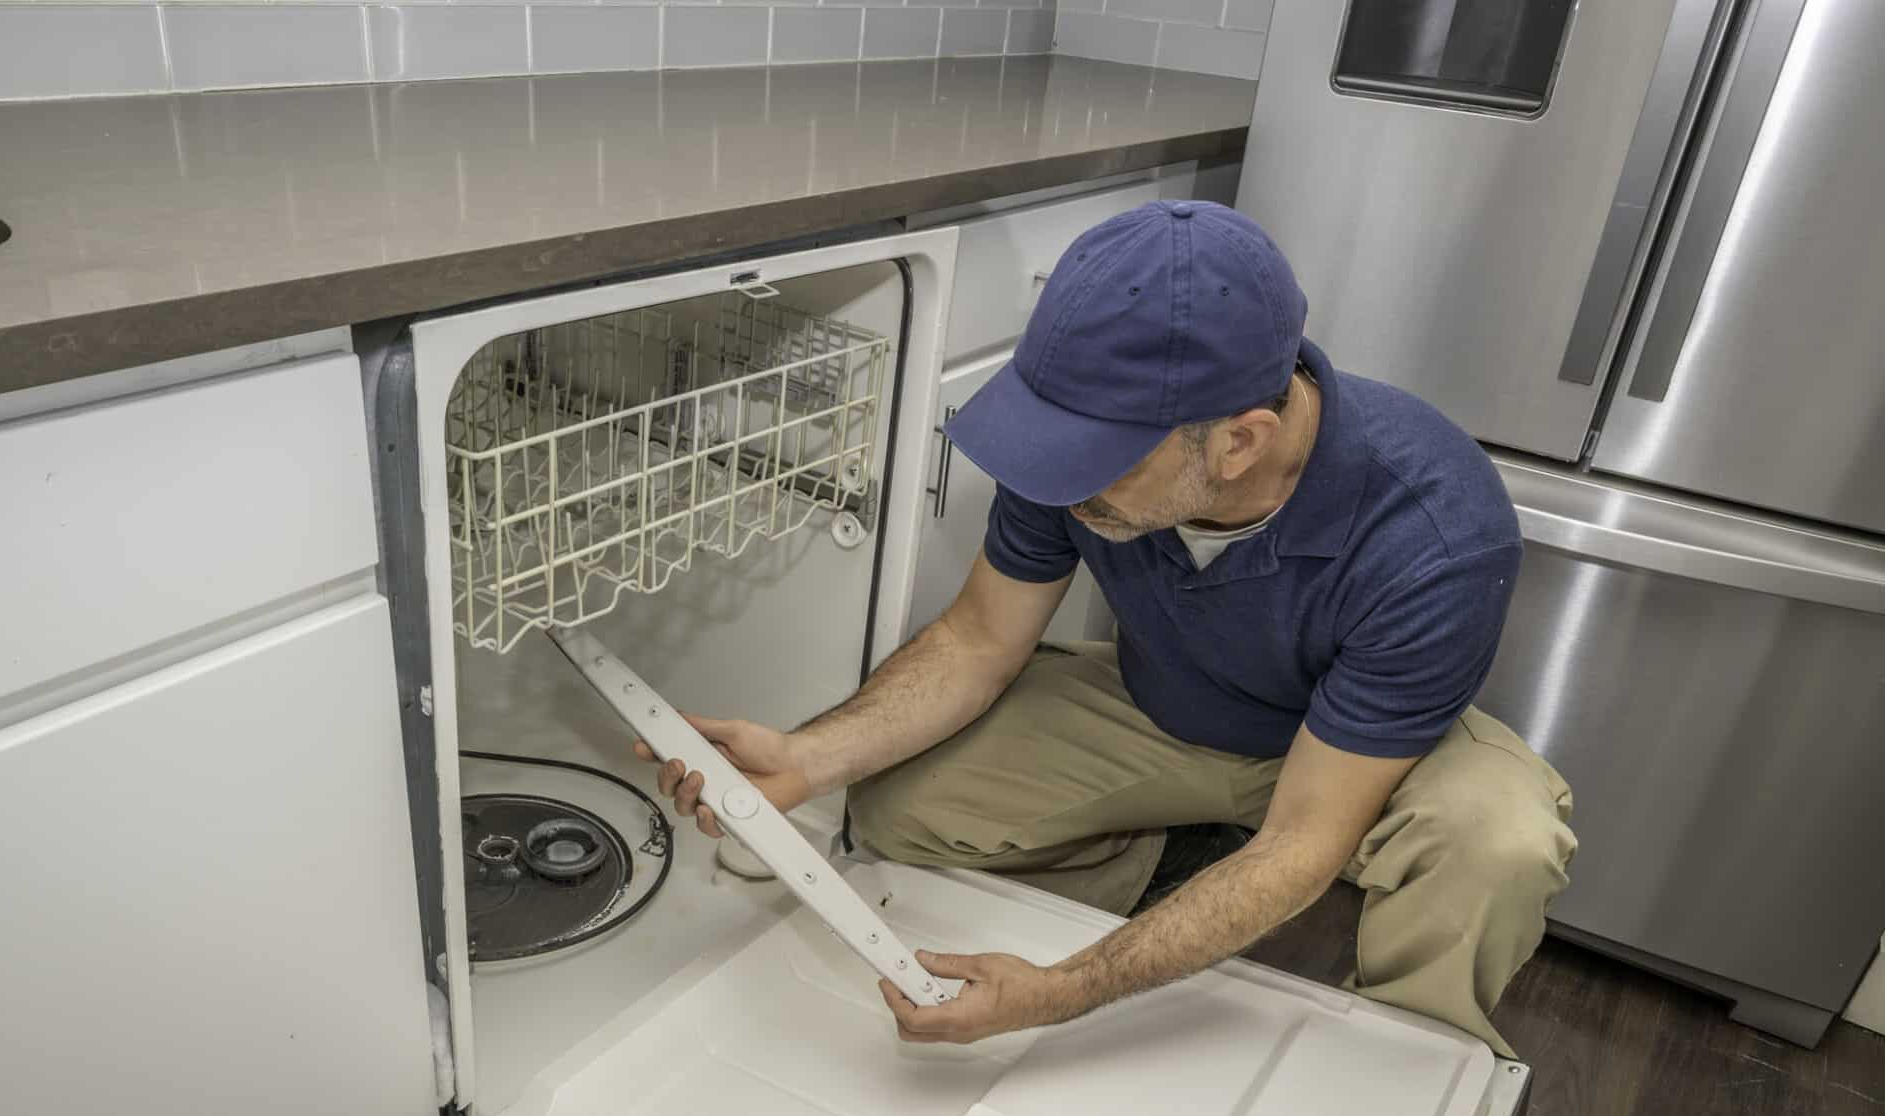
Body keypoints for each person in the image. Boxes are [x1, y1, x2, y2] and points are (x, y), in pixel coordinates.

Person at [642, 201, 1575, 1057]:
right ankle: (1174, 861)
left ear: (1240, 442)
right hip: (1165, 704)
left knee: (1496, 842)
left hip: (1356, 760)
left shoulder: (1437, 534)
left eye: (1096, 462)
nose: (1063, 481)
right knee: (898, 805)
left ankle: (1403, 1061)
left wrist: (1062, 992)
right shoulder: (1080, 454)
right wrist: (803, 758)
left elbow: (1303, 835)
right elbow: (978, 640)